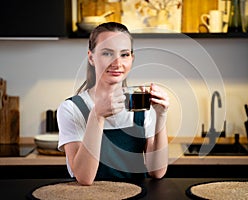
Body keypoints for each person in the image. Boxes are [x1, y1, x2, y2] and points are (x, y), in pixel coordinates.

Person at [57, 22, 169, 185]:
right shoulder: (72, 109)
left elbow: (157, 171)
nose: (117, 63)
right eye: (107, 53)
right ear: (91, 57)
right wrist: (97, 115)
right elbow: (84, 178)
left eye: (124, 54)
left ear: (132, 58)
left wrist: (161, 115)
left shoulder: (141, 103)